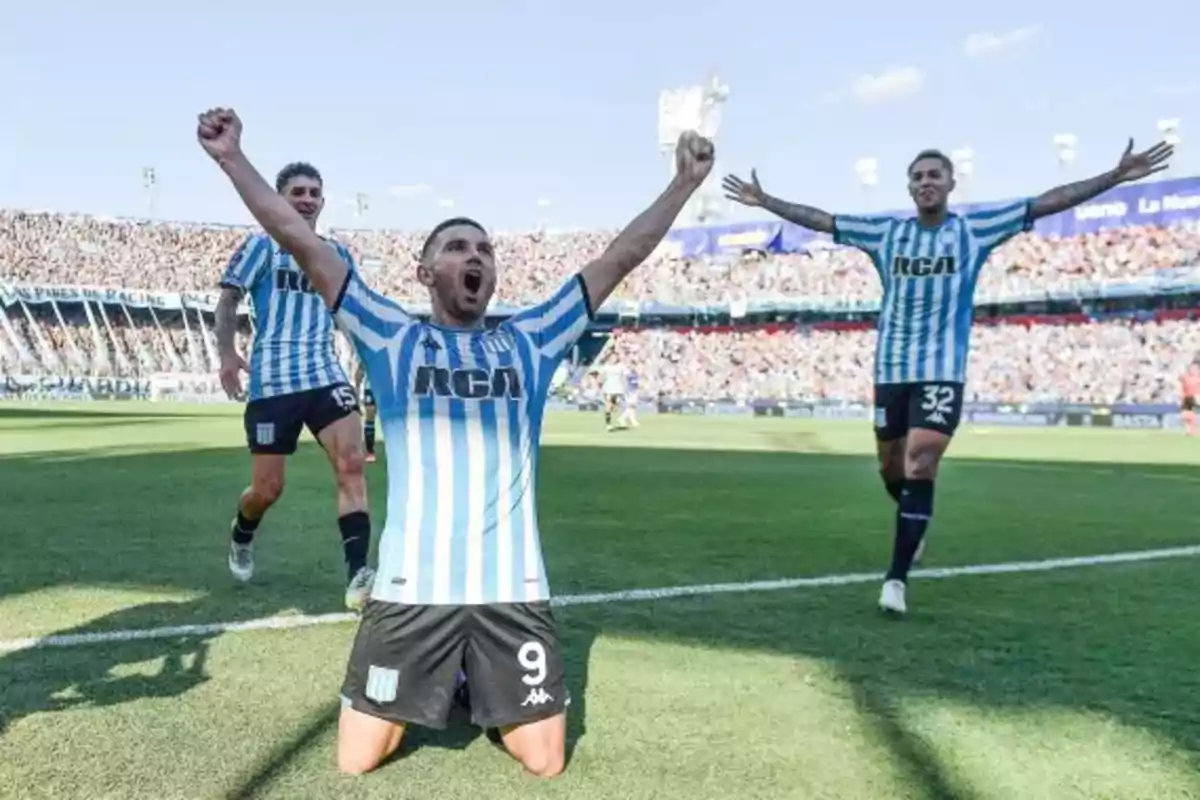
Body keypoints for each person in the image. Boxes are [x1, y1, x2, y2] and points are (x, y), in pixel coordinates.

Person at [196, 106, 714, 777]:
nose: (475, 256)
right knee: (357, 760)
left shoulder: (532, 337)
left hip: (512, 588)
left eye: (485, 250)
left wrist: (684, 184)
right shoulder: (389, 335)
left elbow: (620, 256)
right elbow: (299, 240)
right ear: (425, 272)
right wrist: (233, 156)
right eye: (458, 247)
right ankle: (456, 673)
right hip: (414, 590)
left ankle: (473, 676)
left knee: (544, 761)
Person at [723, 138, 1173, 615]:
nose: (926, 182)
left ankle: (895, 580)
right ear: (910, 187)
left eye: (934, 175)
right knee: (890, 467)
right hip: (892, 368)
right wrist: (765, 200)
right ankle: (915, 518)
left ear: (951, 183)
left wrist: (1114, 175)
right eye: (918, 177)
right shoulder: (885, 233)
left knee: (921, 461)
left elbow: (1048, 202)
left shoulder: (976, 230)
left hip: (943, 371)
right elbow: (823, 221)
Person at [213, 160, 376, 611]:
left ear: (322, 202)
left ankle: (359, 576)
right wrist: (227, 353)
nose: (306, 199)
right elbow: (228, 298)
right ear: (279, 200)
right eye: (297, 192)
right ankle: (243, 532)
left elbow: (354, 313)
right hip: (274, 382)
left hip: (325, 375)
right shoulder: (261, 247)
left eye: (313, 193)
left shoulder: (338, 256)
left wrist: (371, 365)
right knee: (267, 490)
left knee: (350, 465)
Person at [353, 360, 378, 462]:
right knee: (370, 417)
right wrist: (357, 391)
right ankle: (370, 452)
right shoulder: (368, 351)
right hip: (371, 388)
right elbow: (359, 371)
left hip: (387, 389)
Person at [1180, 362, 1199, 436]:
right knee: (1185, 416)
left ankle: (1192, 430)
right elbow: (1182, 387)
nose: (1193, 370)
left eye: (1195, 368)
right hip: (1188, 398)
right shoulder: (1185, 377)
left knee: (1190, 415)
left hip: (1196, 397)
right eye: (1191, 368)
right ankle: (1190, 430)